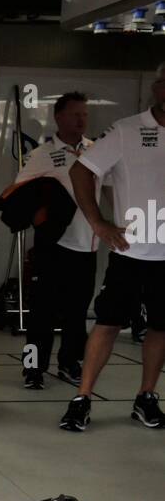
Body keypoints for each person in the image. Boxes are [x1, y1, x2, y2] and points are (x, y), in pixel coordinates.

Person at [61, 63, 165, 432]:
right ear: (157, 87)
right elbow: (80, 171)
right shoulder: (127, 131)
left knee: (160, 328)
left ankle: (146, 397)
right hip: (130, 252)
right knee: (107, 323)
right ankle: (82, 398)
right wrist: (98, 222)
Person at [17, 92, 97, 389]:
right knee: (41, 313)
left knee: (77, 312)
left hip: (86, 244)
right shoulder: (42, 154)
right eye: (76, 114)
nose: (81, 120)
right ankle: (32, 369)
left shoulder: (96, 151)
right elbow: (19, 191)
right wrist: (39, 215)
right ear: (59, 117)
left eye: (85, 114)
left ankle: (70, 363)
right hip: (52, 245)